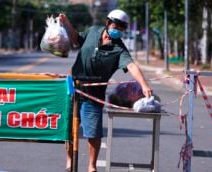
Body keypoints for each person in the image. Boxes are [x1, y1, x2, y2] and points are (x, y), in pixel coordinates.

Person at [59, 9, 153, 172]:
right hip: (73, 88)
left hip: (94, 95)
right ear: (108, 23)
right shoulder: (93, 31)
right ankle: (69, 162)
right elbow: (75, 39)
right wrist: (66, 23)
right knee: (68, 129)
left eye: (123, 28)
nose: (119, 31)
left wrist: (144, 85)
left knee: (93, 133)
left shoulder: (120, 50)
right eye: (117, 26)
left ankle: (91, 166)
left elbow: (131, 66)